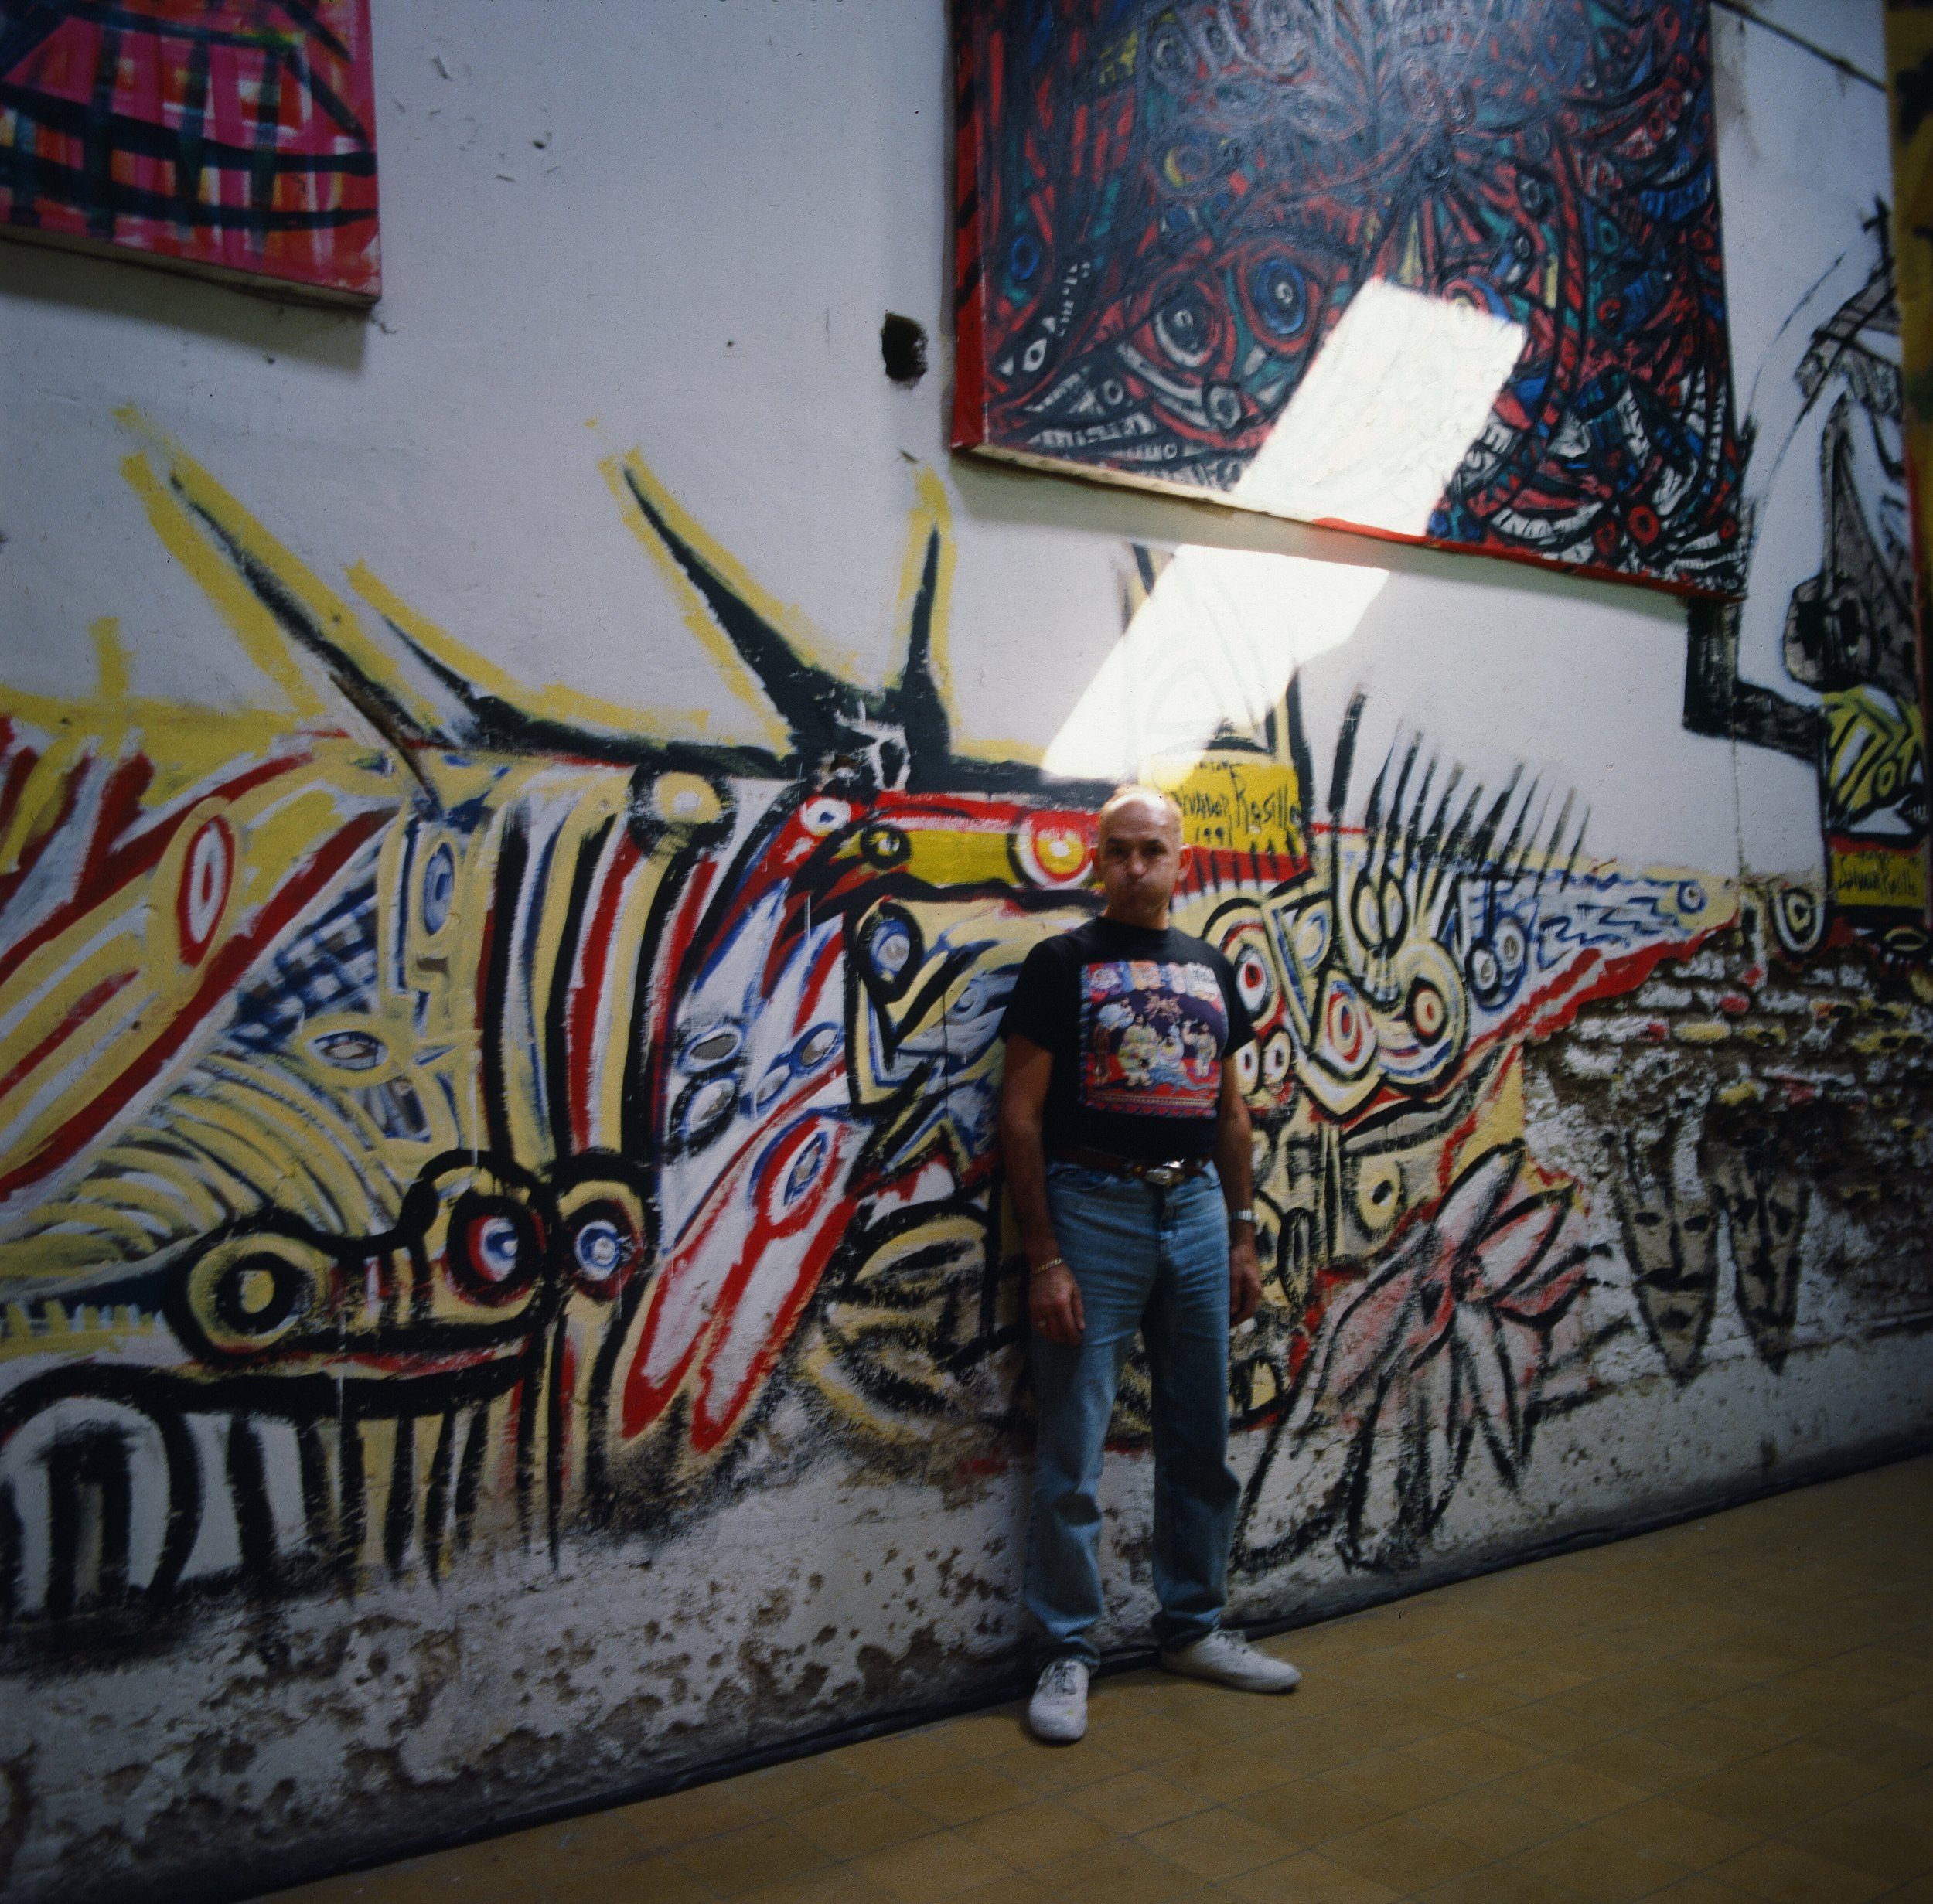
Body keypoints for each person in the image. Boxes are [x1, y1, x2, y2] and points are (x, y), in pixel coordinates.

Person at [998, 785, 1301, 1744]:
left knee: (1200, 1435)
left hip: (1198, 1210)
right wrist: (1045, 1258)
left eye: (1152, 850)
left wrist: (1242, 1233)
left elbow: (1229, 1113)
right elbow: (1018, 1117)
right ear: (1098, 860)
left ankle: (1193, 1628)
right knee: (1074, 1447)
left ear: (1181, 862)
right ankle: (1066, 1650)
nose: (1135, 866)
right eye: (1119, 850)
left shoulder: (1207, 968)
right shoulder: (1060, 964)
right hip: (1093, 1209)